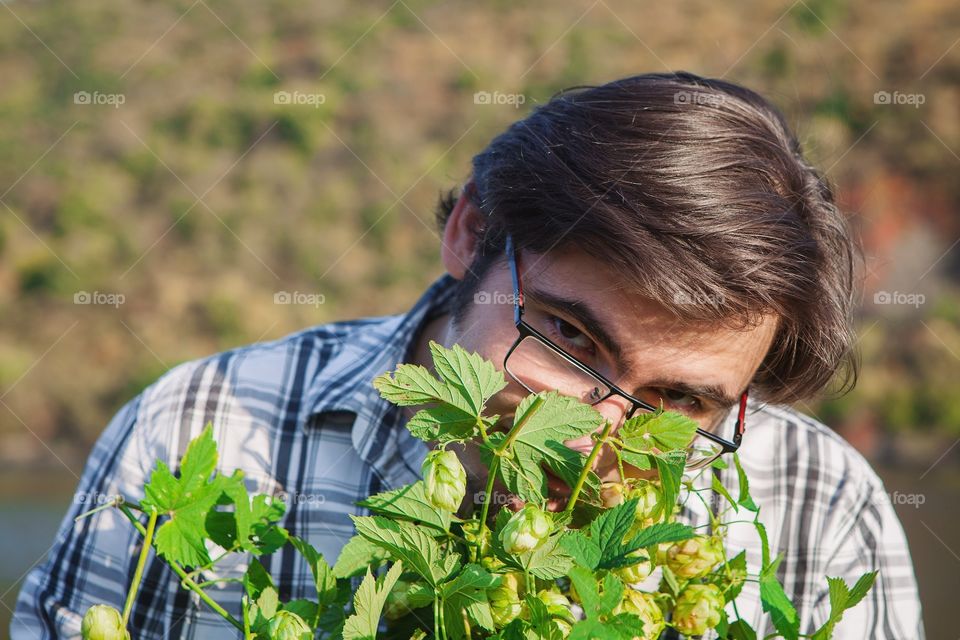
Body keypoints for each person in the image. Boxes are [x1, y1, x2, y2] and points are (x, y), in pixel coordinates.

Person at [12, 72, 924, 639]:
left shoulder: (817, 504)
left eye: (680, 403)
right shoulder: (200, 425)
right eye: (570, 337)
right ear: (471, 232)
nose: (587, 439)